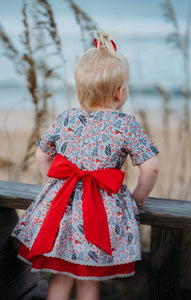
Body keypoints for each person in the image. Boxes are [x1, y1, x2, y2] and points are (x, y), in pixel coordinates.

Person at [12, 32, 159, 300]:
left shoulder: (66, 117)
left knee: (60, 276)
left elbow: (41, 156)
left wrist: (57, 185)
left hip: (62, 211)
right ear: (120, 92)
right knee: (89, 281)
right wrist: (136, 200)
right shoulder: (125, 124)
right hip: (100, 215)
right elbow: (151, 169)